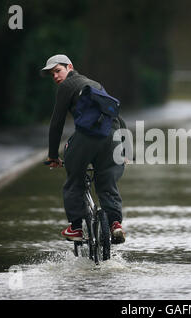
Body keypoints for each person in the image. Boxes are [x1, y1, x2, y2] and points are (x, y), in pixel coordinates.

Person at [40, 54, 126, 244]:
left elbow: (57, 123)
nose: (55, 76)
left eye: (57, 71)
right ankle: (115, 224)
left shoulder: (66, 86)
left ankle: (76, 227)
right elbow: (118, 118)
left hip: (88, 136)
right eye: (51, 74)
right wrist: (125, 151)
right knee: (106, 180)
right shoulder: (94, 84)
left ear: (69, 67)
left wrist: (53, 156)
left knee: (74, 178)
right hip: (113, 136)